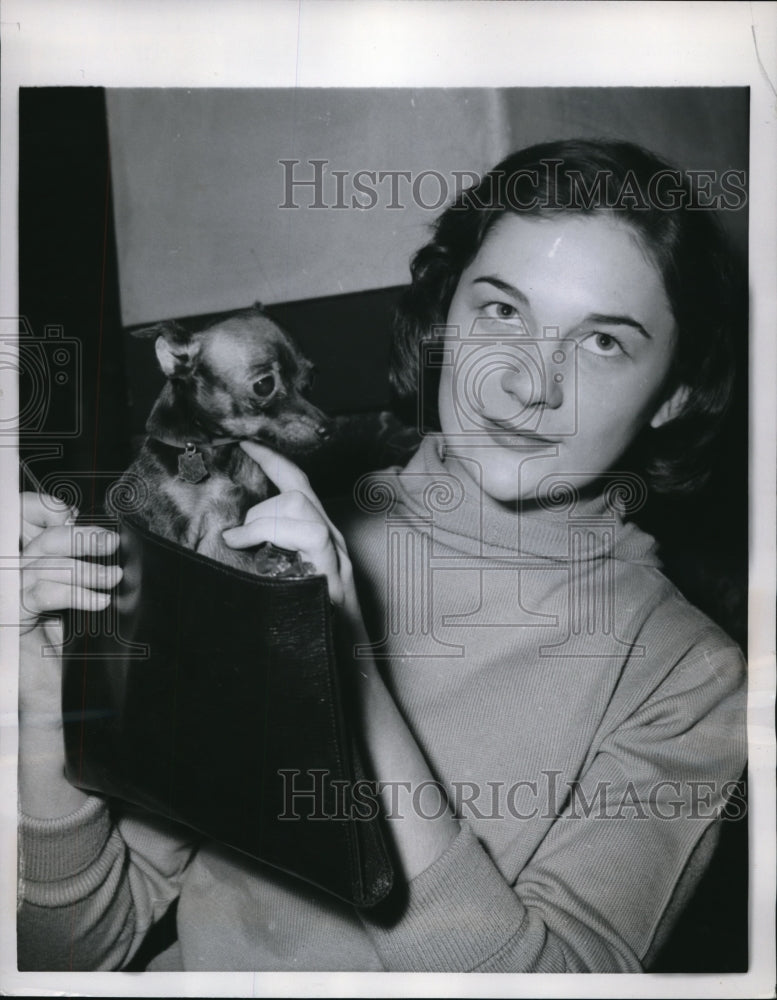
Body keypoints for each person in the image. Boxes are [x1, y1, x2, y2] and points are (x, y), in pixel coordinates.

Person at [17, 139, 746, 972]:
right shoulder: (262, 534)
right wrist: (48, 707)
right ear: (444, 321)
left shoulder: (689, 678)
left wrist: (341, 664)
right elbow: (71, 954)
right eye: (502, 312)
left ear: (676, 391)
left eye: (601, 342)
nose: (524, 383)